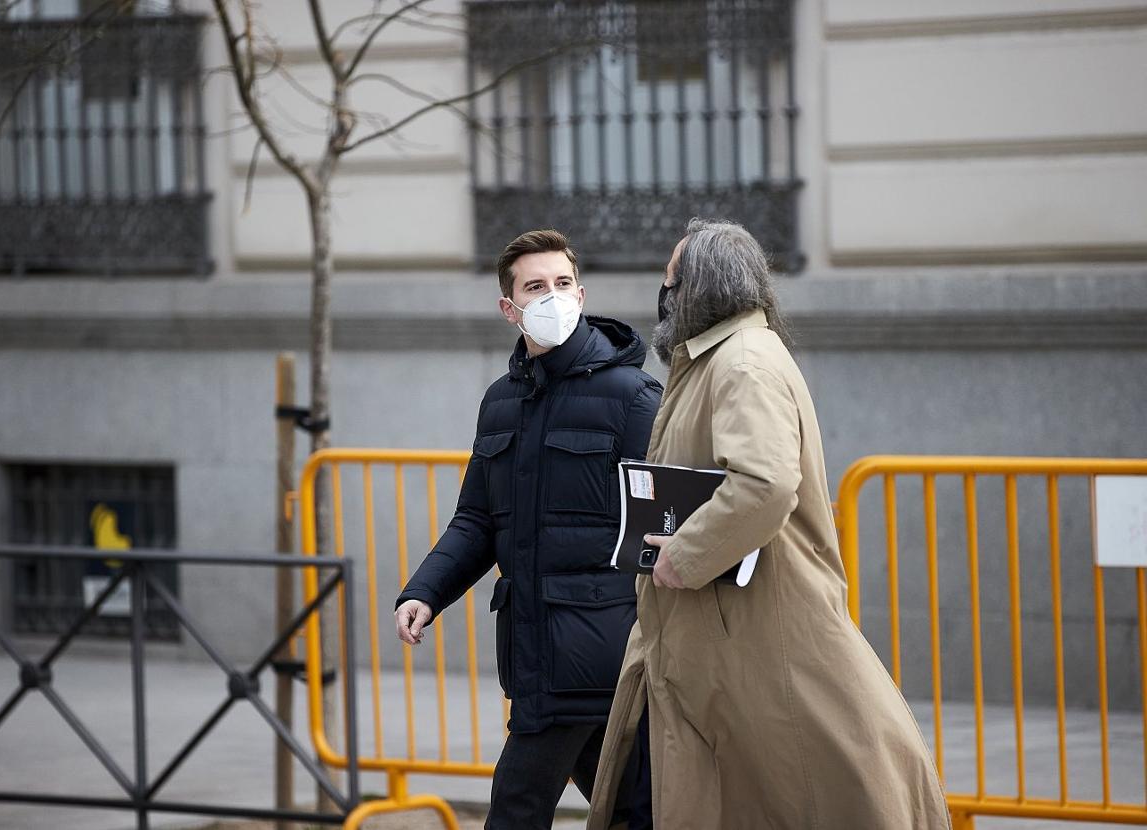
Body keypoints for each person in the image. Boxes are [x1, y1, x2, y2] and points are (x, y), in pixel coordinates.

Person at [585, 220, 951, 829]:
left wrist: (687, 553)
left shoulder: (742, 364)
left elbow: (764, 483)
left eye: (670, 278)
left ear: (698, 286)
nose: (662, 290)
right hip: (718, 634)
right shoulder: (722, 358)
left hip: (748, 628)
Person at [394, 229, 662, 829]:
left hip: (600, 650)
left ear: (582, 292)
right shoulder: (501, 402)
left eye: (562, 284)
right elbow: (477, 519)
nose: (553, 296)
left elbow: (666, 518)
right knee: (629, 810)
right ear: (509, 309)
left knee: (517, 806)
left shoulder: (632, 396)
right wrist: (424, 592)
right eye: (535, 286)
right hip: (535, 647)